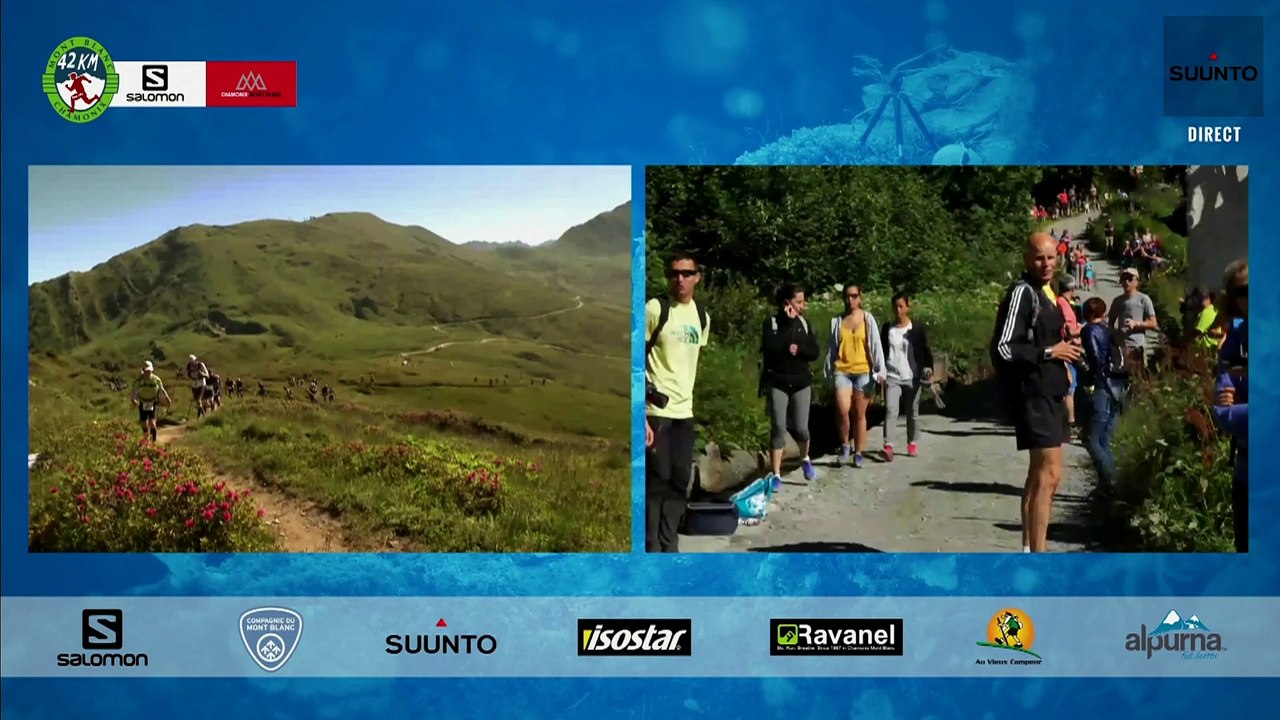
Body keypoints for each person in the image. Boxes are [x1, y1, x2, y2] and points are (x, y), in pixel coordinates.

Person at [990, 232, 1080, 553]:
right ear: (1028, 259)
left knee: (1040, 476)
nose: (1046, 264)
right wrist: (1049, 352)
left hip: (1051, 391)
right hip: (1034, 393)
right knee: (1050, 475)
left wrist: (1067, 341)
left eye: (1051, 257)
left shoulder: (1047, 293)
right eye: (1040, 257)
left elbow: (1046, 340)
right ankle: (1039, 556)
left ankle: (1028, 550)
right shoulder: (1022, 293)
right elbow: (1002, 347)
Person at [644, 252, 710, 553]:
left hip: (685, 411)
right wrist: (641, 415)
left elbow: (694, 360)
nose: (680, 279)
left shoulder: (702, 316)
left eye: (686, 273)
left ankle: (670, 544)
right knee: (658, 479)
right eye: (674, 274)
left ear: (697, 276)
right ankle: (652, 545)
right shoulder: (656, 309)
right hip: (656, 411)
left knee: (680, 479)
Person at [760, 284, 820, 484]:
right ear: (787, 303)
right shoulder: (773, 323)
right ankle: (776, 474)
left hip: (801, 382)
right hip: (778, 382)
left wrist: (799, 349)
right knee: (778, 427)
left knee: (802, 428)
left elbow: (814, 352)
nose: (803, 306)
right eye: (799, 301)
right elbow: (770, 347)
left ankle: (805, 458)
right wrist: (786, 325)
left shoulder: (804, 323)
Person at [823, 283, 887, 468]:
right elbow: (832, 349)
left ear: (860, 297)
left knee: (859, 414)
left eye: (854, 296)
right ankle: (844, 445)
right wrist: (828, 372)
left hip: (863, 371)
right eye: (847, 296)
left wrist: (880, 371)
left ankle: (858, 452)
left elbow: (876, 346)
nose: (851, 300)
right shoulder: (837, 321)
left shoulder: (868, 319)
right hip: (842, 370)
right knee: (843, 410)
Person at [1214, 260, 1248, 553]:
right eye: (1244, 290)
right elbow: (1223, 414)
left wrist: (1244, 406)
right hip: (1247, 472)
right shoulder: (1234, 344)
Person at [1080, 297, 1127, 496]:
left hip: (1102, 386)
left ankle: (1112, 480)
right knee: (1105, 439)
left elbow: (1096, 360)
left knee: (1092, 439)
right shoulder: (1110, 331)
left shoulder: (1089, 330)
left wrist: (1082, 367)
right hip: (1118, 386)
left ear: (1087, 313)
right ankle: (1106, 485)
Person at [879, 291, 934, 461]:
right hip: (892, 376)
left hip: (912, 376)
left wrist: (928, 370)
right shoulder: (887, 329)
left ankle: (911, 442)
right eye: (895, 306)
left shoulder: (916, 329)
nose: (898, 310)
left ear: (908, 307)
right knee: (890, 410)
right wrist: (879, 372)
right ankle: (888, 446)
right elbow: (881, 351)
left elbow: (925, 351)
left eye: (901, 306)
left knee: (912, 412)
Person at [1108, 268, 1158, 370]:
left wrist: (1137, 324)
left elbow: (1153, 323)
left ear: (1136, 281)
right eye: (1123, 278)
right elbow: (1111, 322)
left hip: (1137, 345)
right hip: (1121, 346)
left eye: (1130, 279)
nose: (1126, 282)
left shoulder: (1144, 299)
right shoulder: (1117, 301)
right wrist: (1114, 336)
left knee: (1137, 374)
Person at [1056, 276, 1083, 429]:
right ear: (1072, 289)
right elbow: (1069, 329)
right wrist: (1084, 329)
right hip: (1067, 348)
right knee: (1070, 386)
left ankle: (1066, 421)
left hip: (1066, 347)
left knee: (1069, 385)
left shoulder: (1059, 301)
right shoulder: (1063, 304)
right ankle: (1070, 423)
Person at [130, 361, 172, 442]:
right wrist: (134, 399)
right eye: (146, 371)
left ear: (152, 370)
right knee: (143, 423)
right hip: (142, 402)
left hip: (152, 402)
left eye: (149, 371)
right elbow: (135, 391)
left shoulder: (156, 380)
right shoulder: (139, 381)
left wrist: (167, 398)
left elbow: (161, 389)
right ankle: (146, 439)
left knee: (152, 422)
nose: (147, 373)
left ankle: (154, 440)